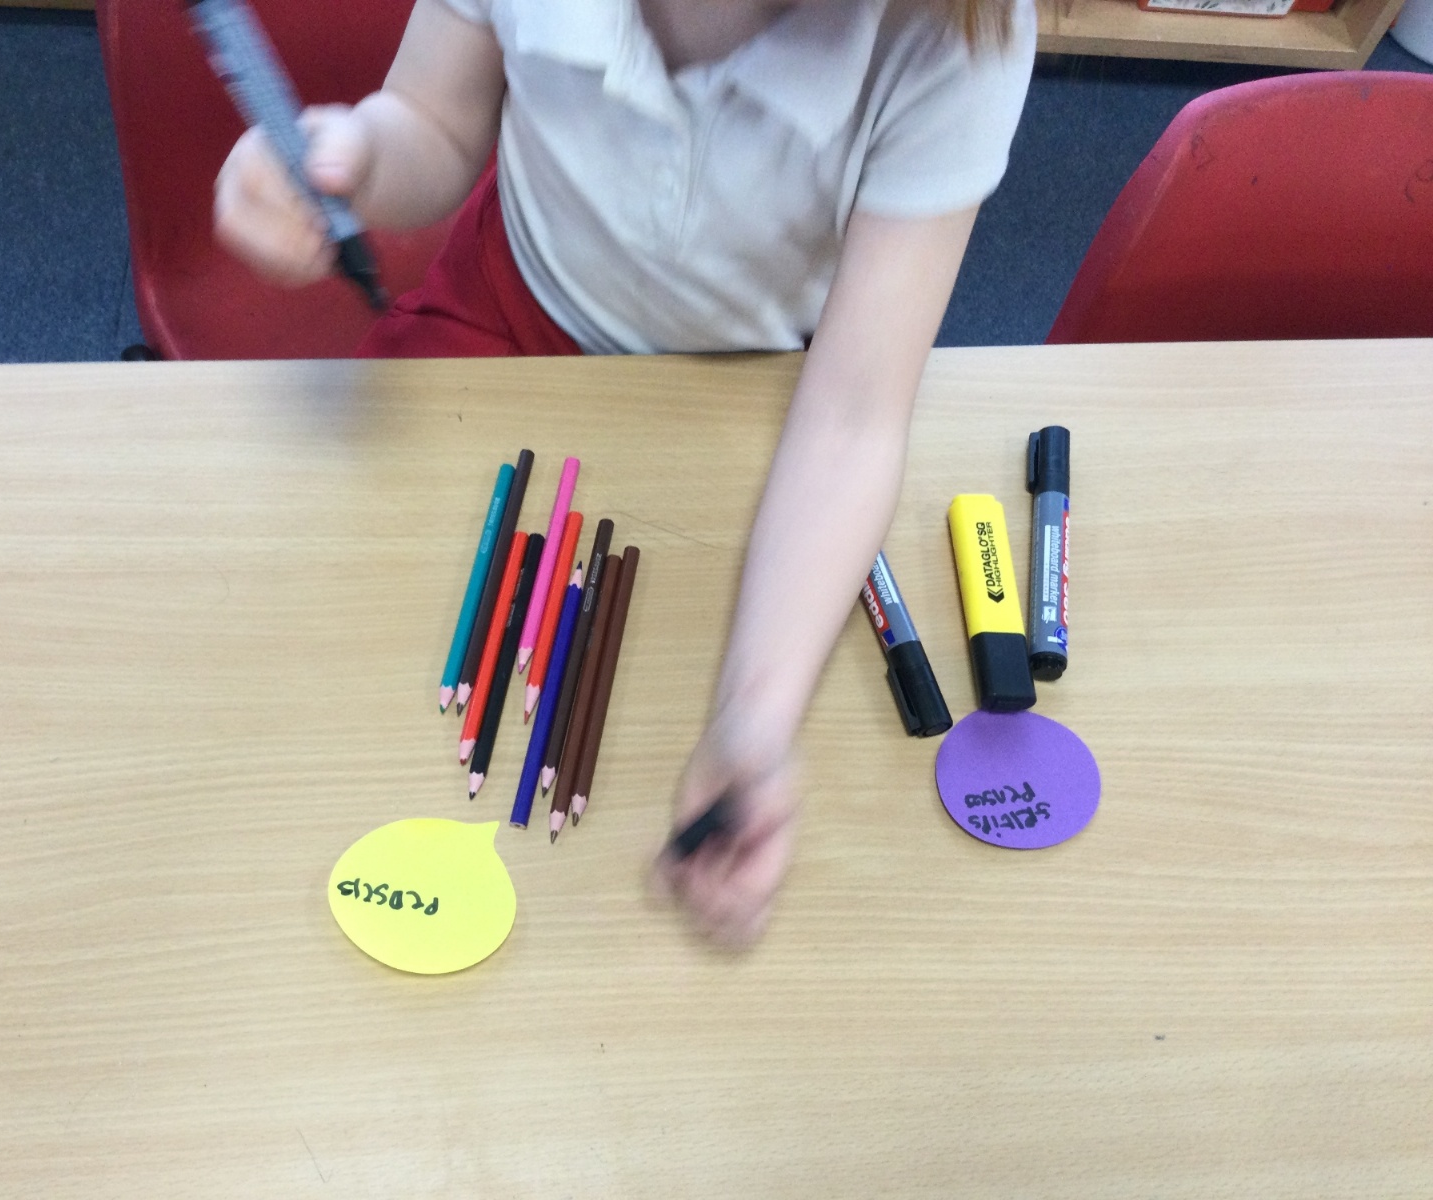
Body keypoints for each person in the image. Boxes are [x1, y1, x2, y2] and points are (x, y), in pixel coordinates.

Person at [214, 0, 1035, 946]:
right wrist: (356, 157)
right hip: (501, 306)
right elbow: (434, 125)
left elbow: (853, 415)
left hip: (749, 390)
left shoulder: (957, 31)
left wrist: (756, 718)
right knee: (332, 656)